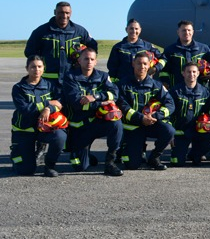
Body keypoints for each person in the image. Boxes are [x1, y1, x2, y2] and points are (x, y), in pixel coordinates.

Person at [61, 47, 123, 176]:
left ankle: (110, 162)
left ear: (96, 61)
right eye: (86, 58)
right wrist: (101, 103)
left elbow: (115, 94)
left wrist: (95, 97)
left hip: (97, 122)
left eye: (92, 59)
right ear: (79, 60)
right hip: (80, 127)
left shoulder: (103, 76)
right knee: (80, 167)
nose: (89, 61)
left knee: (116, 124)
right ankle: (86, 154)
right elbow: (76, 104)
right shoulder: (70, 77)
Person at [116, 51, 176, 170]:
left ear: (149, 65)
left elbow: (170, 104)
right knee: (132, 165)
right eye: (139, 63)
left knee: (169, 130)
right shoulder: (122, 85)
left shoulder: (156, 85)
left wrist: (156, 116)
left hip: (152, 122)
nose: (142, 67)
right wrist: (141, 118)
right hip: (133, 127)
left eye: (145, 64)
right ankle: (125, 148)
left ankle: (154, 157)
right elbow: (123, 106)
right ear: (133, 64)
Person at [11, 56, 66, 177]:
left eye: (39, 66)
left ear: (43, 68)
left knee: (60, 136)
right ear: (27, 68)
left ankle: (49, 166)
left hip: (45, 128)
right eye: (33, 67)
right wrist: (48, 104)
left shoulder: (50, 85)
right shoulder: (18, 88)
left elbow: (60, 102)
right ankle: (17, 153)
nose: (36, 69)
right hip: (25, 130)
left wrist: (48, 108)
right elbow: (26, 109)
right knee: (25, 171)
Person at [25, 1, 97, 82]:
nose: (64, 16)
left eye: (67, 13)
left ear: (71, 13)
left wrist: (81, 60)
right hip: (48, 81)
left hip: (73, 80)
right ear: (55, 12)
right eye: (61, 12)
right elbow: (29, 52)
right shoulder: (41, 31)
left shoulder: (80, 31)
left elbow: (93, 48)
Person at [169, 61, 210, 166]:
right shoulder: (175, 91)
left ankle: (196, 154)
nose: (192, 74)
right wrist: (170, 134)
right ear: (183, 73)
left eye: (194, 72)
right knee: (177, 163)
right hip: (181, 132)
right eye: (188, 72)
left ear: (198, 73)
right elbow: (169, 113)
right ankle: (181, 153)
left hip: (198, 130)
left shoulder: (205, 91)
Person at [107, 19, 164, 83]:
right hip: (124, 85)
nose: (134, 31)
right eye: (131, 28)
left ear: (140, 30)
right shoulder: (118, 48)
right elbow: (112, 68)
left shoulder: (148, 46)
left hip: (143, 85)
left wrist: (155, 68)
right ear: (126, 29)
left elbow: (163, 58)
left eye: (136, 29)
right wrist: (115, 85)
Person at [160, 20, 210, 90]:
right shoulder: (170, 50)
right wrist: (166, 84)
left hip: (199, 93)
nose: (187, 33)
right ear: (178, 32)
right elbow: (164, 71)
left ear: (193, 32)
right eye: (184, 30)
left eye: (189, 30)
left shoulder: (203, 49)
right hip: (176, 91)